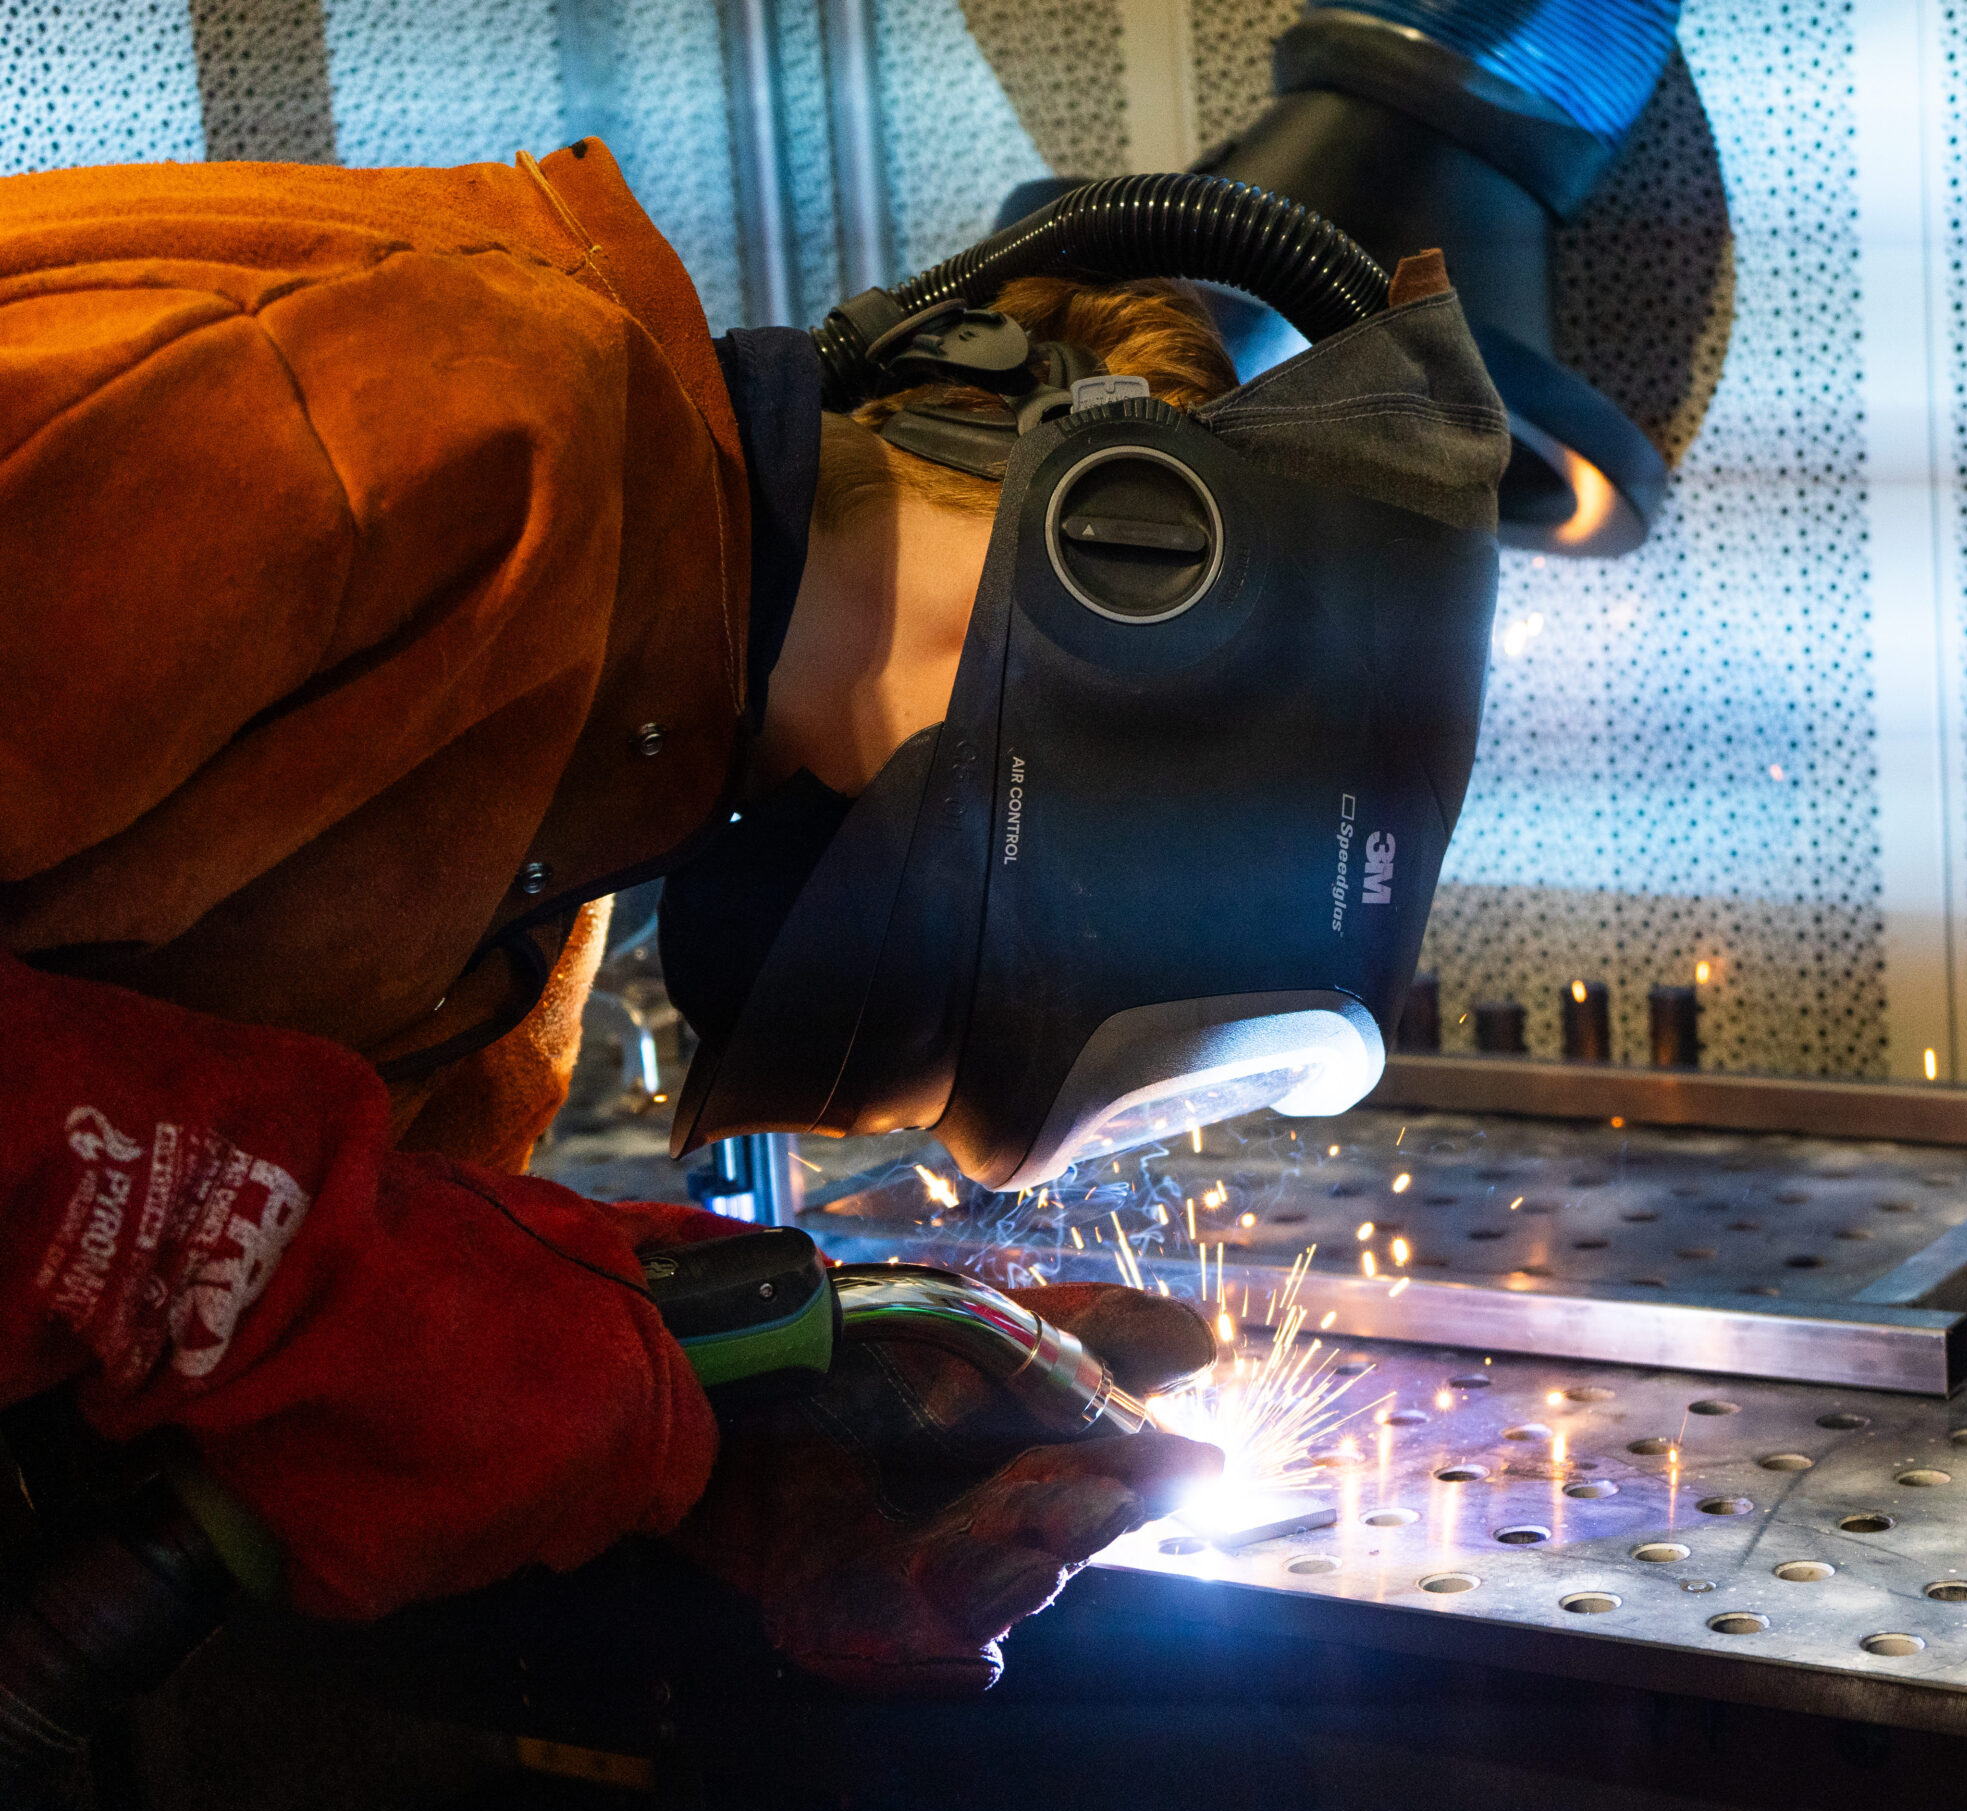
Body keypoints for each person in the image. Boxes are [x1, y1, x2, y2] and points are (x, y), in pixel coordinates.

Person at [0, 140, 1506, 1691]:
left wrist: (725, 1409)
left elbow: (275, 1281)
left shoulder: (527, 909)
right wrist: (353, 1299)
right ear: (1119, 572)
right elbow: (256, 1248)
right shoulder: (442, 412)